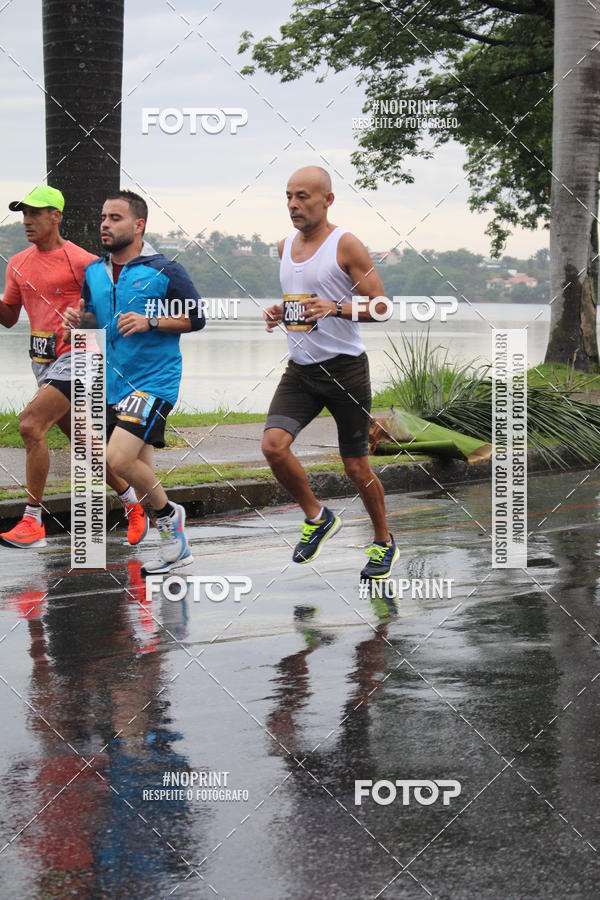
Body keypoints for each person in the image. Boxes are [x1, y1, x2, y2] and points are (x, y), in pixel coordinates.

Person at [262, 166, 398, 581]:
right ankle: (318, 516)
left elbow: (381, 306)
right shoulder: (285, 247)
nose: (293, 205)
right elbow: (302, 304)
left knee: (356, 468)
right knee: (272, 446)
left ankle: (382, 542)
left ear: (327, 199)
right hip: (300, 372)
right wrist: (282, 311)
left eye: (303, 196)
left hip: (345, 372)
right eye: (288, 196)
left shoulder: (346, 244)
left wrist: (336, 307)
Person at [65, 190, 205, 575]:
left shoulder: (165, 270)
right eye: (103, 218)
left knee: (118, 459)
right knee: (136, 468)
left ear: (139, 225)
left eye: (115, 218)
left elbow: (197, 319)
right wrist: (81, 322)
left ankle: (169, 515)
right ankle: (175, 550)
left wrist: (151, 321)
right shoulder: (93, 271)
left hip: (155, 381)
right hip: (115, 383)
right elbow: (94, 321)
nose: (105, 225)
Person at [0, 185, 147, 549]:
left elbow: (111, 309)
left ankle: (32, 521)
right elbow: (8, 317)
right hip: (43, 362)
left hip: (81, 354)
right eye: (24, 214)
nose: (27, 221)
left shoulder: (82, 262)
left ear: (56, 217)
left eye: (35, 213)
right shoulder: (18, 262)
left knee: (30, 424)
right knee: (83, 441)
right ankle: (133, 503)